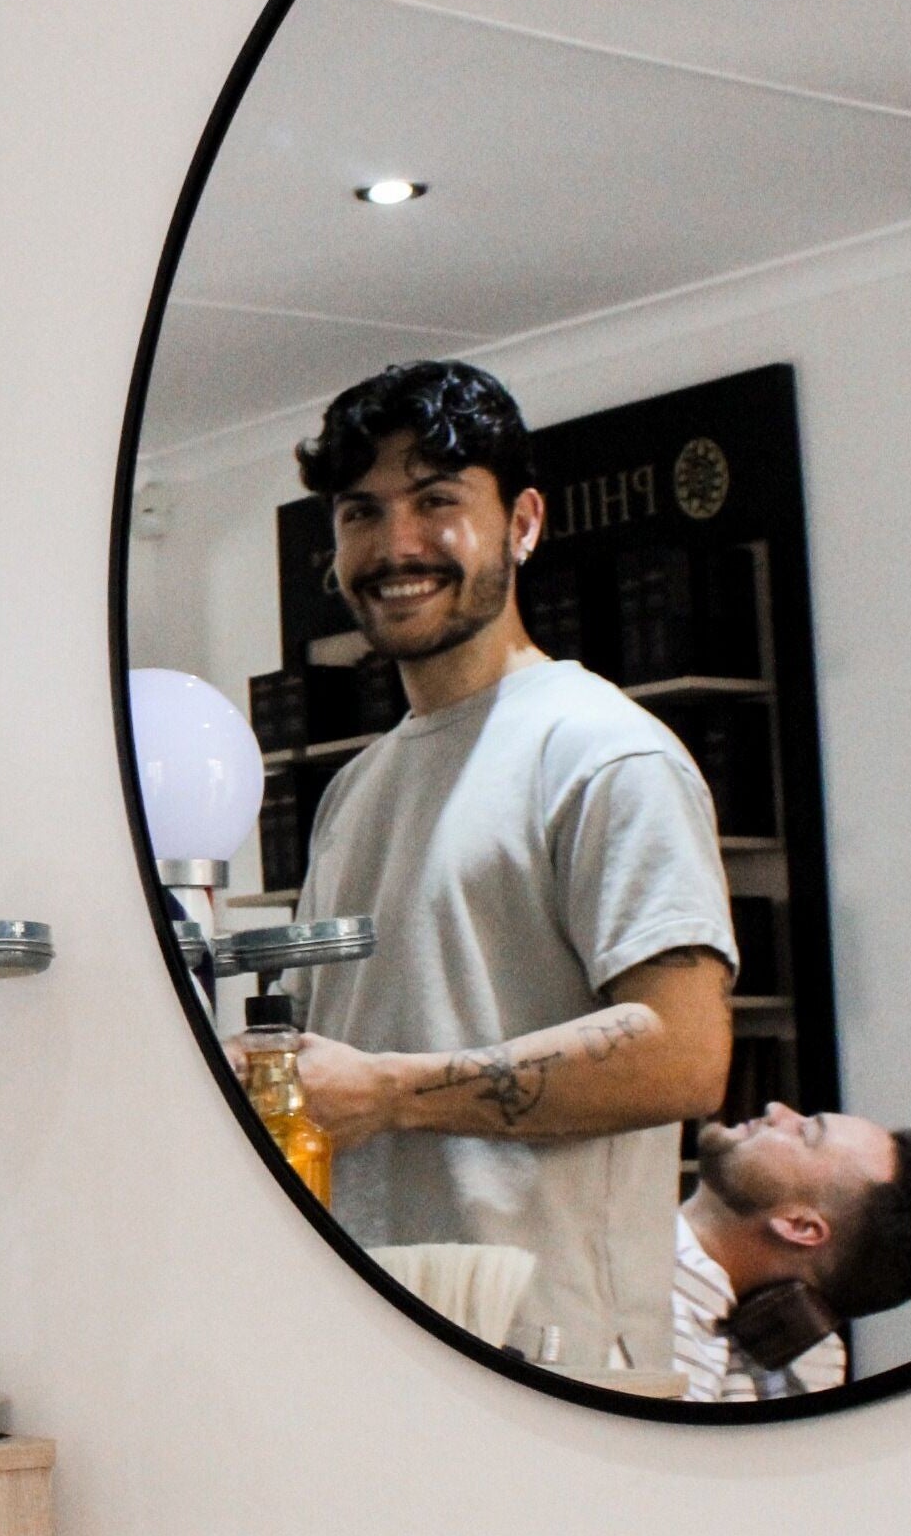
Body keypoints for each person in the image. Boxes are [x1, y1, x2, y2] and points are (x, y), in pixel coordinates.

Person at [282, 360, 738, 1375]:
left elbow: (686, 1050)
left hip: (560, 1364)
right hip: (376, 1349)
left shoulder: (604, 754)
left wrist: (392, 1091)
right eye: (362, 512)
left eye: (437, 502)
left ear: (523, 522)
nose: (395, 546)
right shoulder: (355, 792)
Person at [675, 1104, 911, 1401]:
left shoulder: (662, 1346)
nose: (776, 1110)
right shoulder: (798, 1373)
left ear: (799, 1226)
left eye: (805, 1132)